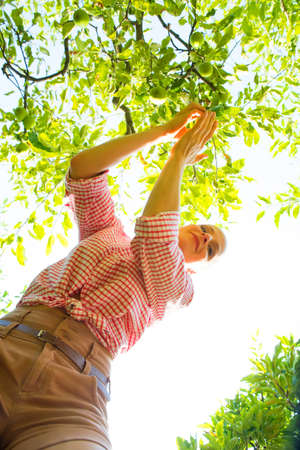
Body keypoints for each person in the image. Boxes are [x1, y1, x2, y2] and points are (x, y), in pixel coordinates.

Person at [0, 103, 225, 449]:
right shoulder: (104, 230)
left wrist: (178, 157)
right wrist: (162, 132)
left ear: (196, 266)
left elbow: (154, 234)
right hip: (12, 340)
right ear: (192, 222)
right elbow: (82, 170)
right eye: (207, 229)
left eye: (211, 249)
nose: (207, 238)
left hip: (72, 397)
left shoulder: (177, 291)